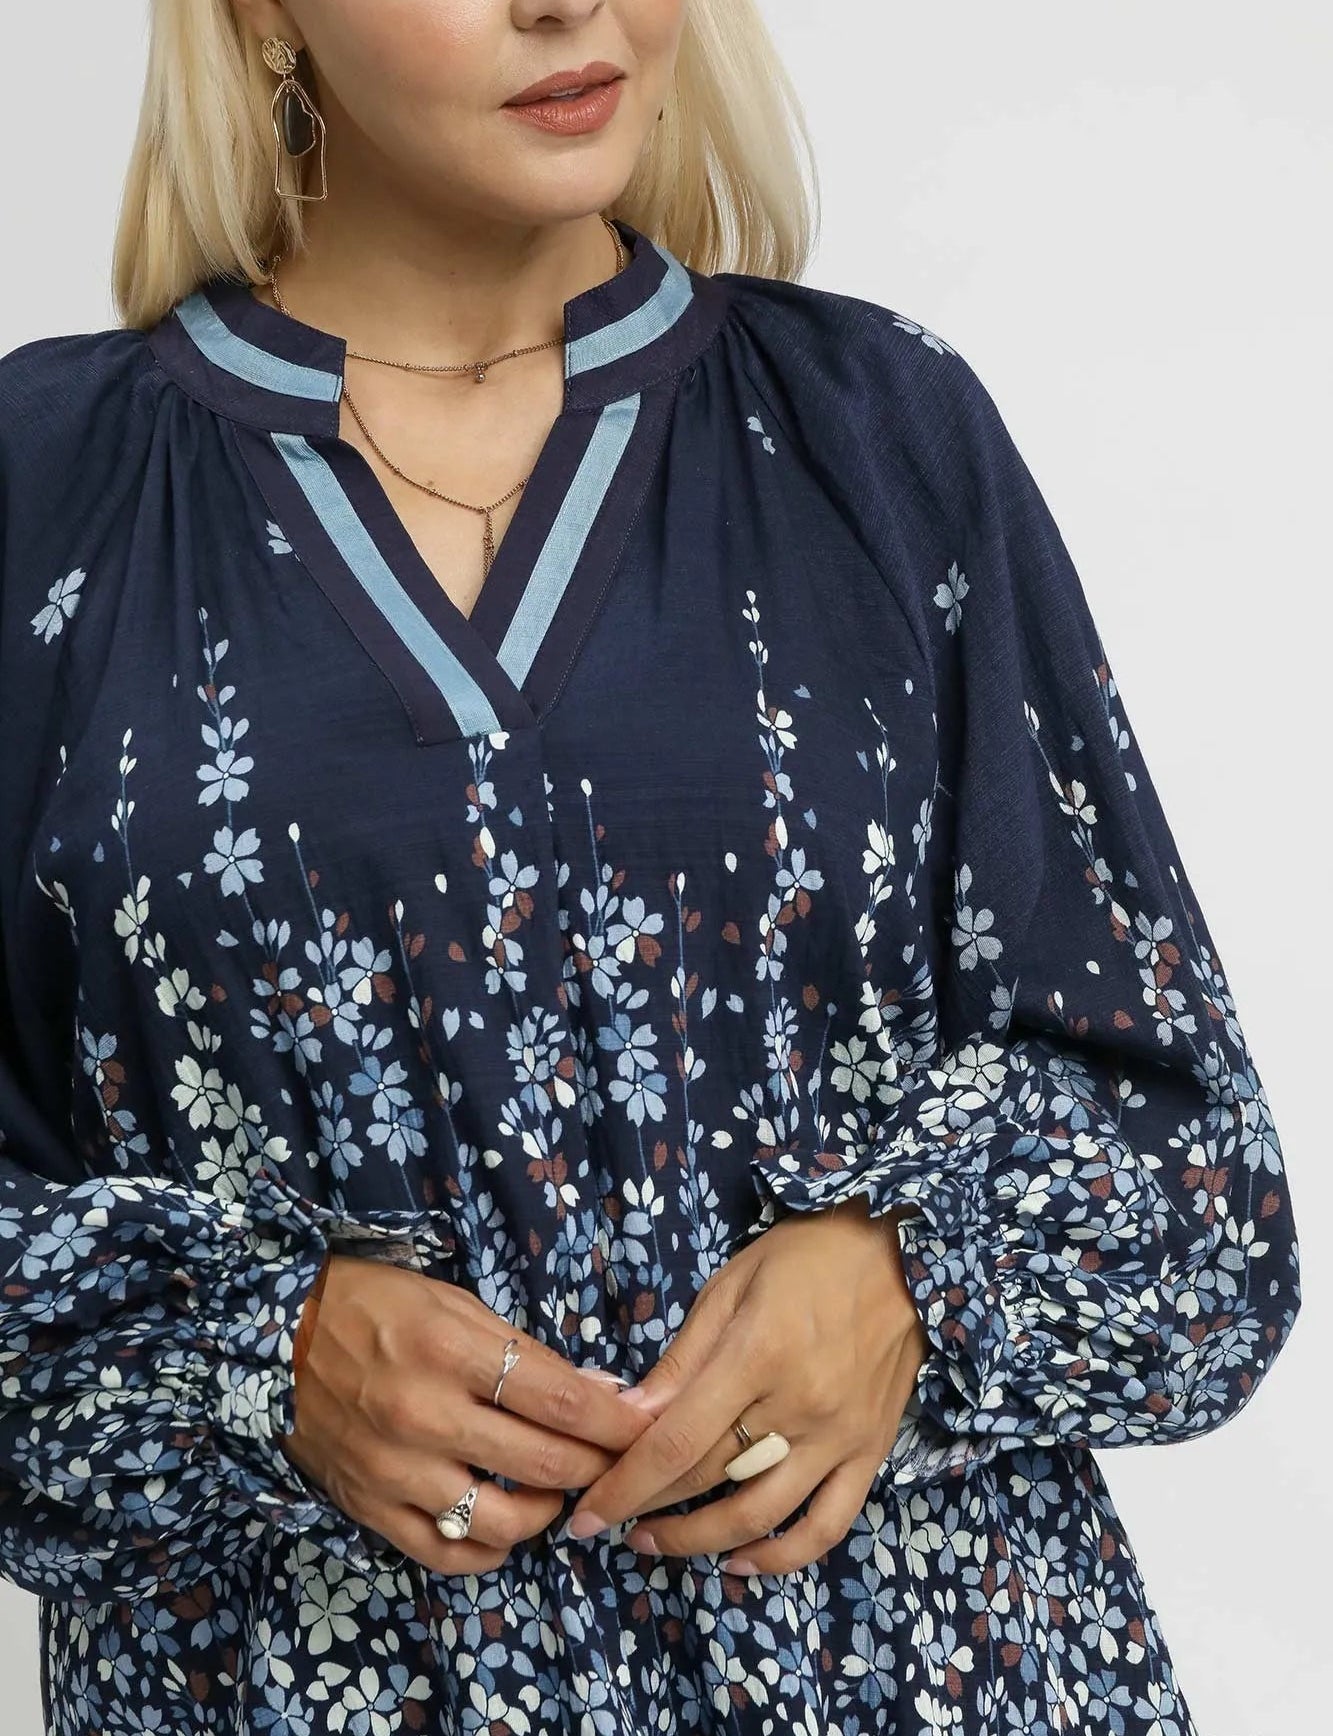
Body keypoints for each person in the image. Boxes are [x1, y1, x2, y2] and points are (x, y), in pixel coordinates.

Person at [0, 1, 1302, 1732]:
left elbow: (1204, 1186)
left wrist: (910, 1277)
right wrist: (256, 1356)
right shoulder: (50, 493)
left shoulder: (873, 434)